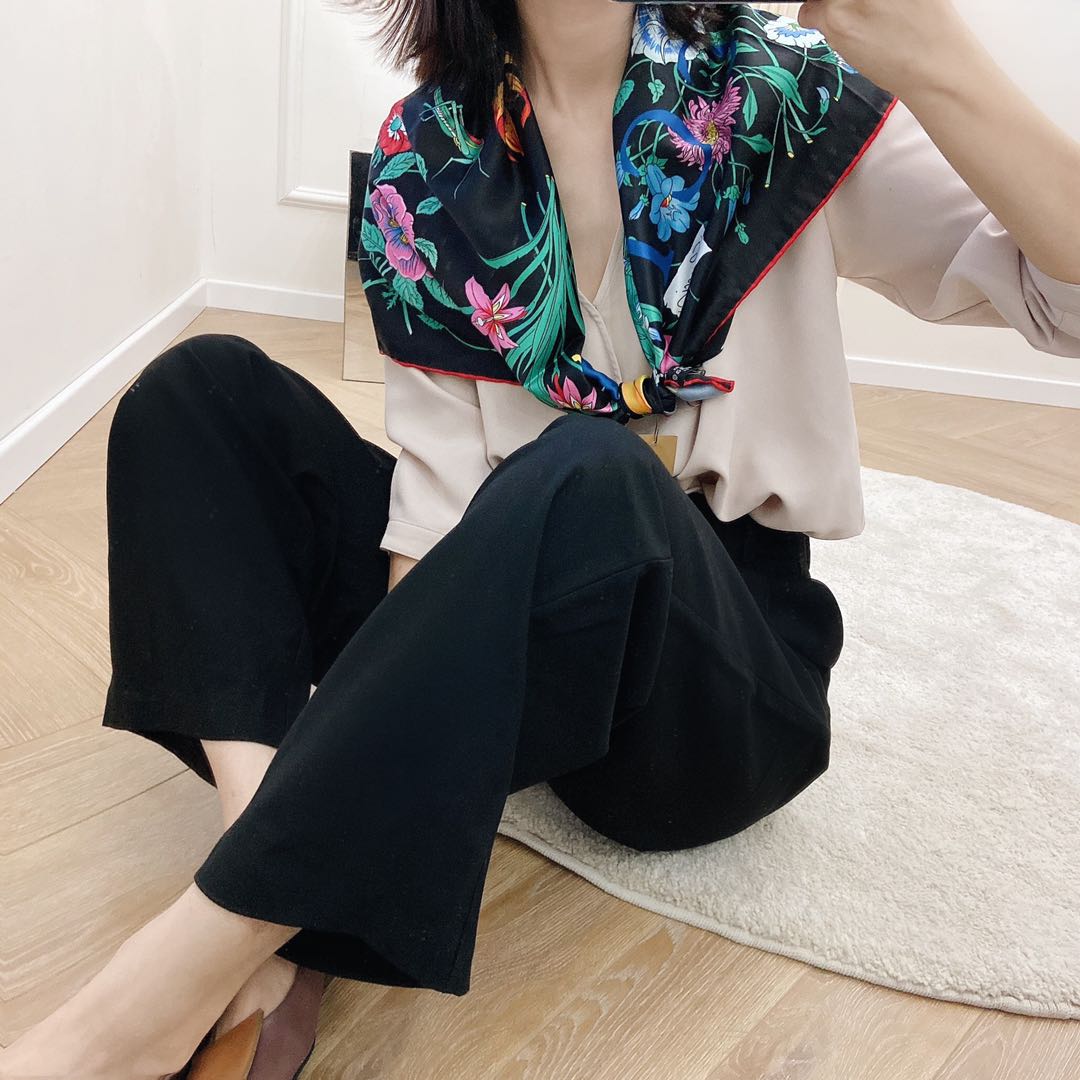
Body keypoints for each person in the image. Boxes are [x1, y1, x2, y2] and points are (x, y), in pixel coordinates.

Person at [4, 2, 1080, 1078]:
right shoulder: (431, 153)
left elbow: (1063, 303)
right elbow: (432, 524)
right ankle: (270, 899)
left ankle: (161, 986)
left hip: (712, 692)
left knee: (588, 473)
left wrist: (928, 50)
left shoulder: (778, 95)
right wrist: (386, 725)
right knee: (197, 396)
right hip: (522, 635)